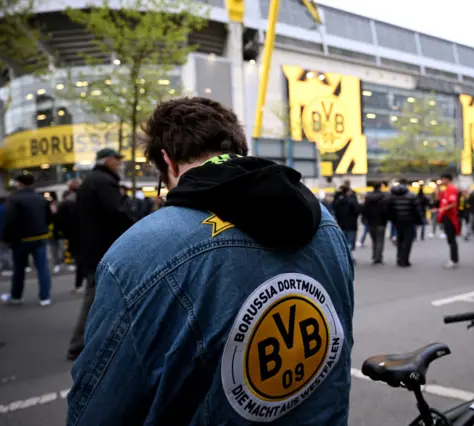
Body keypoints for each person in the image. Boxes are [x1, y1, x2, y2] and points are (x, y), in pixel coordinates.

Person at [66, 97, 354, 425]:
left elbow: (98, 407)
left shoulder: (139, 251)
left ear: (167, 161)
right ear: (239, 149)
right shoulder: (324, 222)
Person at [66, 148, 135, 361]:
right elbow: (117, 213)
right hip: (102, 250)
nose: (119, 164)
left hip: (92, 248)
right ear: (107, 161)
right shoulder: (104, 182)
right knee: (95, 297)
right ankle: (78, 344)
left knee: (101, 294)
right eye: (117, 160)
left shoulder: (91, 181)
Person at [1, 174, 53, 306]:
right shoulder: (41, 198)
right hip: (40, 237)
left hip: (21, 240)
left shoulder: (14, 199)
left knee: (19, 269)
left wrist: (6, 238)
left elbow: (10, 221)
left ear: (19, 184)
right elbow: (49, 217)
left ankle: (16, 296)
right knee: (43, 268)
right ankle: (45, 297)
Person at [56, 179, 83, 291]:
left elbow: (60, 221)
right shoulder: (85, 200)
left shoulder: (66, 203)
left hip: (74, 235)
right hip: (86, 234)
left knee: (80, 261)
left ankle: (79, 284)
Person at [388, 178, 422, 267]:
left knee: (400, 240)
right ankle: (405, 260)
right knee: (408, 241)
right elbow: (417, 210)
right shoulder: (411, 196)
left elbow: (389, 208)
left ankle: (399, 258)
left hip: (397, 221)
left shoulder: (393, 195)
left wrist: (392, 219)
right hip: (409, 221)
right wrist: (419, 221)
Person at [437, 174, 460, 268]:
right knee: (450, 239)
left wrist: (443, 209)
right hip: (446, 216)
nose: (441, 181)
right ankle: (453, 259)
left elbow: (453, 203)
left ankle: (453, 259)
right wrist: (437, 188)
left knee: (451, 239)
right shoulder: (446, 189)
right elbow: (439, 198)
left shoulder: (452, 189)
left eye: (442, 179)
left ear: (447, 179)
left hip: (450, 217)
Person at [362, 183, 389, 264]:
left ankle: (374, 255)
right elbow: (386, 211)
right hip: (381, 222)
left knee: (374, 240)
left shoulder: (368, 197)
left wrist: (366, 219)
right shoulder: (383, 197)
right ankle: (378, 257)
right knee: (380, 240)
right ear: (380, 187)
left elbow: (364, 210)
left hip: (371, 222)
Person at [333, 182, 360, 255]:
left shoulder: (338, 200)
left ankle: (344, 256)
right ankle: (350, 256)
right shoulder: (352, 200)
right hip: (352, 224)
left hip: (341, 224)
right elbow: (357, 210)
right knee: (351, 242)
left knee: (343, 242)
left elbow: (335, 211)